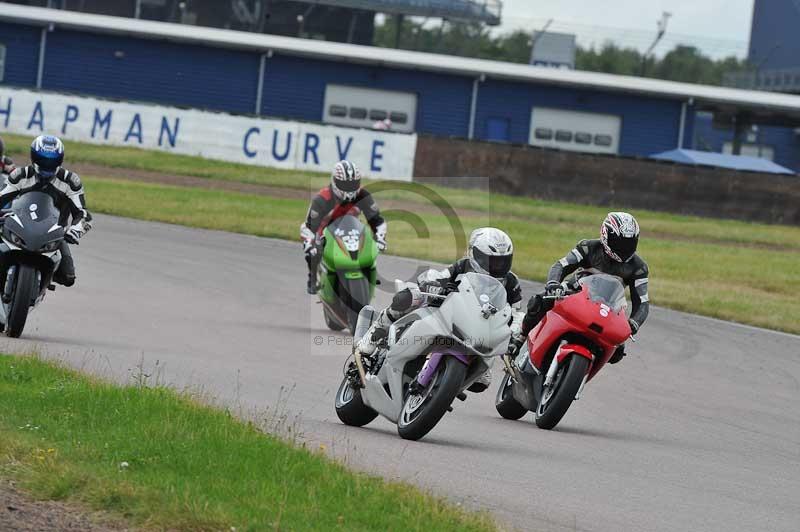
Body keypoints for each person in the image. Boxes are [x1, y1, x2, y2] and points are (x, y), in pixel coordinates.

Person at [356, 227, 523, 393]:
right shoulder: (463, 266)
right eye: (491, 260)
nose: (498, 266)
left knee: (489, 364)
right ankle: (375, 333)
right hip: (449, 312)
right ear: (474, 254)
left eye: (502, 260)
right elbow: (438, 276)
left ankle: (477, 366)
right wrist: (433, 283)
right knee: (408, 297)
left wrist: (515, 331)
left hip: (480, 328)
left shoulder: (511, 282)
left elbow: (516, 312)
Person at [508, 212, 649, 365]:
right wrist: (553, 284)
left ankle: (580, 376)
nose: (624, 248)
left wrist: (634, 323)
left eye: (629, 243)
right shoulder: (588, 247)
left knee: (618, 351)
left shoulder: (638, 268)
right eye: (619, 242)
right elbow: (561, 265)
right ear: (605, 234)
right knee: (539, 301)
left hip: (608, 308)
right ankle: (521, 337)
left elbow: (642, 302)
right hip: (574, 293)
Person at [0, 135, 92, 287]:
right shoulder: (21, 175)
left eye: (52, 162)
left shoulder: (70, 181)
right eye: (43, 161)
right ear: (34, 158)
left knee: (68, 277)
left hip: (53, 233)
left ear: (59, 161)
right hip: (19, 226)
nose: (47, 166)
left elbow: (83, 214)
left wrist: (75, 231)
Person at [300, 160, 387, 294]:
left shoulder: (363, 195)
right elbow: (308, 227)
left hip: (352, 231)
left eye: (353, 184)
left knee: (370, 246)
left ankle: (369, 275)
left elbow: (378, 221)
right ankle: (312, 278)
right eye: (344, 184)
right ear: (334, 181)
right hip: (325, 233)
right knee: (313, 252)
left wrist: (380, 238)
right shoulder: (322, 199)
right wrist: (309, 243)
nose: (349, 188)